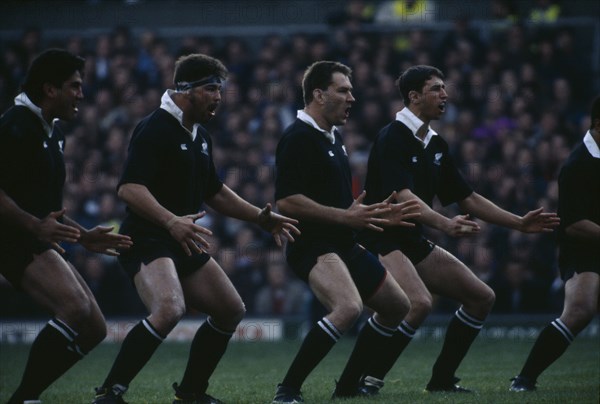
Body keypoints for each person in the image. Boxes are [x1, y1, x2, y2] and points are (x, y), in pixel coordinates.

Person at [91, 53, 299, 404]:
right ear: (185, 91)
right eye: (211, 88)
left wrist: (259, 218)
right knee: (170, 309)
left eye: (220, 89)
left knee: (231, 309)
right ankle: (109, 393)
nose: (219, 97)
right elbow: (129, 188)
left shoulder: (200, 135)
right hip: (147, 239)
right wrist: (171, 220)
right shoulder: (154, 127)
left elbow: (213, 191)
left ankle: (190, 393)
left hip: (183, 240)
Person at [356, 65, 560, 393]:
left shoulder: (436, 144)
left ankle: (441, 381)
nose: (445, 95)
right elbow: (404, 198)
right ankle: (369, 381)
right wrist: (445, 224)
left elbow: (467, 197)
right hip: (382, 236)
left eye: (444, 88)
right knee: (418, 303)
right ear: (414, 96)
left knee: (481, 297)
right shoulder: (392, 136)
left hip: (411, 237)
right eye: (437, 89)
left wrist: (519, 223)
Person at [271, 60, 420, 403]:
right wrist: (345, 217)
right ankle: (287, 390)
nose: (352, 97)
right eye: (344, 90)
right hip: (312, 245)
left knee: (398, 306)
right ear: (319, 95)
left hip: (343, 241)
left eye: (351, 90)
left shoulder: (333, 136)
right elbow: (288, 202)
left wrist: (373, 216)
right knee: (348, 307)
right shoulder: (298, 137)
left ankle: (347, 387)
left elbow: (339, 205)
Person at [0, 48, 133, 404]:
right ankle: (24, 398)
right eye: (74, 86)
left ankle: (26, 396)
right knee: (74, 309)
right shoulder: (15, 126)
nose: (81, 94)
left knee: (94, 329)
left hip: (33, 236)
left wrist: (84, 236)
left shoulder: (52, 131)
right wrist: (32, 225)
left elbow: (50, 211)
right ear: (49, 89)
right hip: (10, 239)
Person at [510, 96, 599, 392]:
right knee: (580, 310)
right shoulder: (578, 164)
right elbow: (573, 224)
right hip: (583, 249)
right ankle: (524, 379)